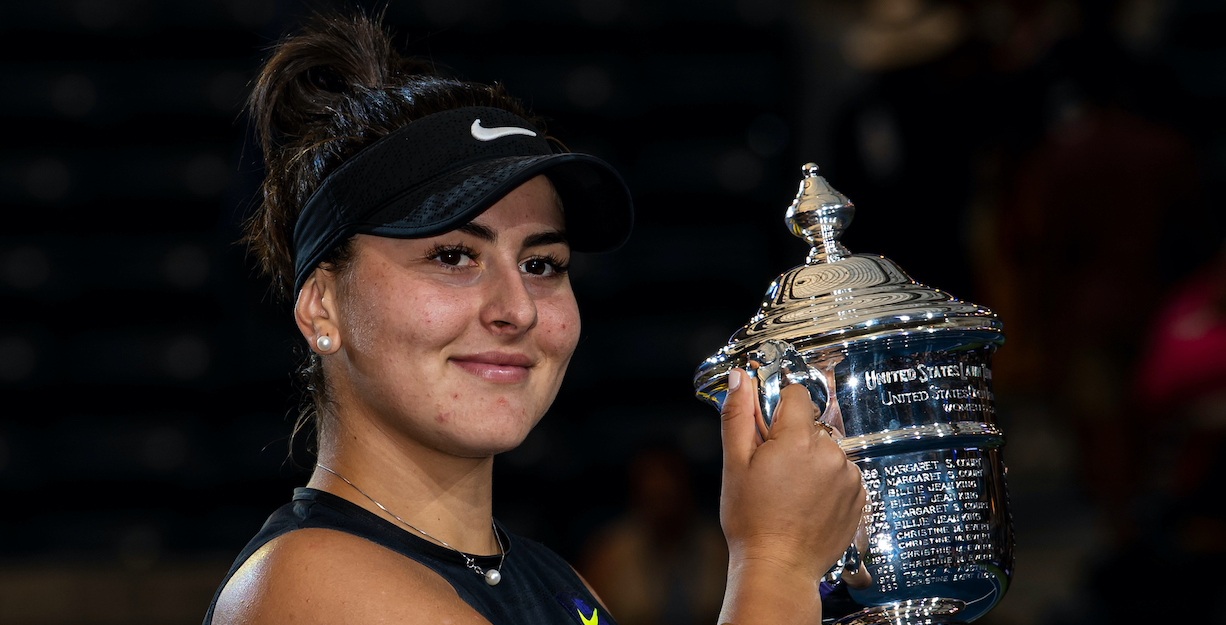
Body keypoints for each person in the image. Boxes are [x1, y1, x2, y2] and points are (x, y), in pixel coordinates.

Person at [205, 12, 865, 625]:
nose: (516, 308)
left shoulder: (553, 579)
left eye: (543, 263)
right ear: (322, 305)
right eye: (454, 255)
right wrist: (777, 562)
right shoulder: (311, 582)